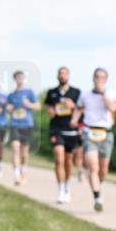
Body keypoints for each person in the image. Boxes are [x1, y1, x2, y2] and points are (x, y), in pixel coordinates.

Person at [72, 68, 116, 212]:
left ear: (106, 80)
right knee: (93, 167)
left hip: (106, 133)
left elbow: (112, 108)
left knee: (103, 170)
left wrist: (102, 94)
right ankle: (97, 197)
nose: (99, 80)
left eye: (102, 77)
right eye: (97, 77)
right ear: (93, 78)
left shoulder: (111, 93)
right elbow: (78, 108)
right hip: (89, 132)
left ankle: (97, 184)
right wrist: (74, 119)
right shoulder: (84, 95)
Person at [44, 67, 82, 204]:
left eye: (64, 73)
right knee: (58, 159)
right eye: (60, 73)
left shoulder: (76, 92)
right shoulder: (51, 92)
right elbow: (47, 105)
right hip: (56, 129)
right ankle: (60, 190)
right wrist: (50, 110)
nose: (62, 75)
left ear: (69, 76)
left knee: (68, 160)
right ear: (57, 76)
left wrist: (72, 106)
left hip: (70, 130)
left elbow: (81, 109)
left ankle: (67, 186)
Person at [7, 70, 40, 186]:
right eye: (17, 77)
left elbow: (38, 106)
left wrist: (28, 104)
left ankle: (24, 170)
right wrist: (9, 108)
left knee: (24, 152)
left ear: (23, 79)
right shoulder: (11, 95)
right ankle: (16, 176)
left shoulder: (29, 92)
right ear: (15, 79)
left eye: (21, 77)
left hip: (26, 125)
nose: (19, 79)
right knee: (15, 148)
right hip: (15, 124)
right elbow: (8, 107)